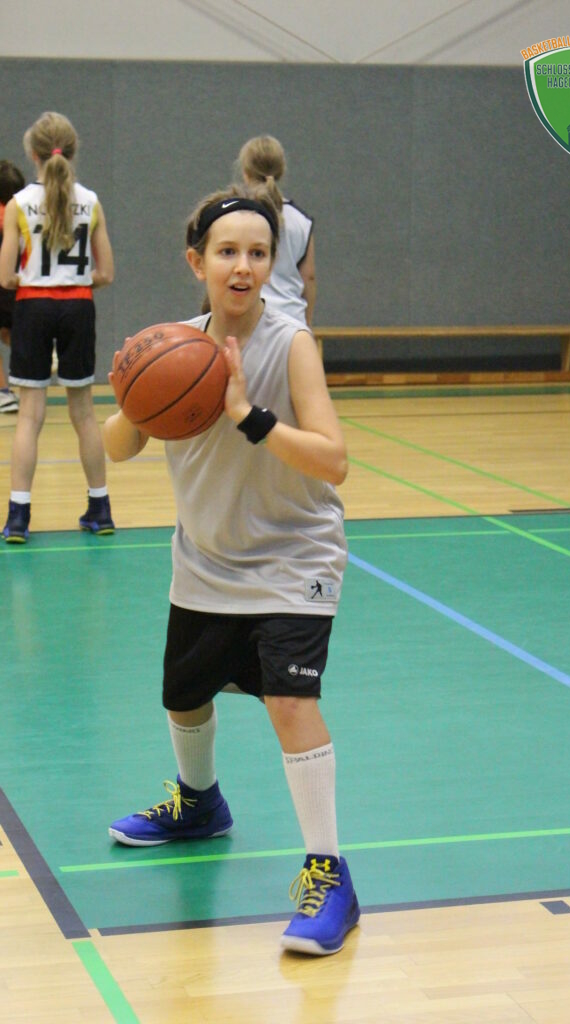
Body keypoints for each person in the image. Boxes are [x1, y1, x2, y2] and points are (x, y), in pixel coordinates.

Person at [105, 184, 360, 956]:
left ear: (272, 263)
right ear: (198, 263)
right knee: (184, 698)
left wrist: (250, 417)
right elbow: (118, 447)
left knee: (289, 700)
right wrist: (133, 400)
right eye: (227, 252)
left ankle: (329, 873)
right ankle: (199, 804)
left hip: (294, 556)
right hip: (206, 560)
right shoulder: (172, 346)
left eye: (257, 252)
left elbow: (334, 461)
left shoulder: (291, 344)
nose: (242, 265)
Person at [0, 111, 115, 543]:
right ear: (72, 151)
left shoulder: (18, 205)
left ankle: (18, 517)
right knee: (83, 413)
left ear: (32, 154)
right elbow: (107, 272)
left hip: (33, 306)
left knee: (30, 416)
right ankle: (100, 509)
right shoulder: (91, 201)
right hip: (78, 307)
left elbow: (5, 276)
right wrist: (76, 283)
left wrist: (34, 281)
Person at [238, 135, 316, 327]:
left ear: (246, 172)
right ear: (280, 171)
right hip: (292, 319)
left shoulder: (236, 216)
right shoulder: (301, 221)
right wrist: (306, 323)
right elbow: (309, 277)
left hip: (248, 318)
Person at [0, 159, 25, 413]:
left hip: (3, 282)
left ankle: (2, 392)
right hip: (19, 288)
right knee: (8, 334)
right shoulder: (22, 215)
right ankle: (41, 352)